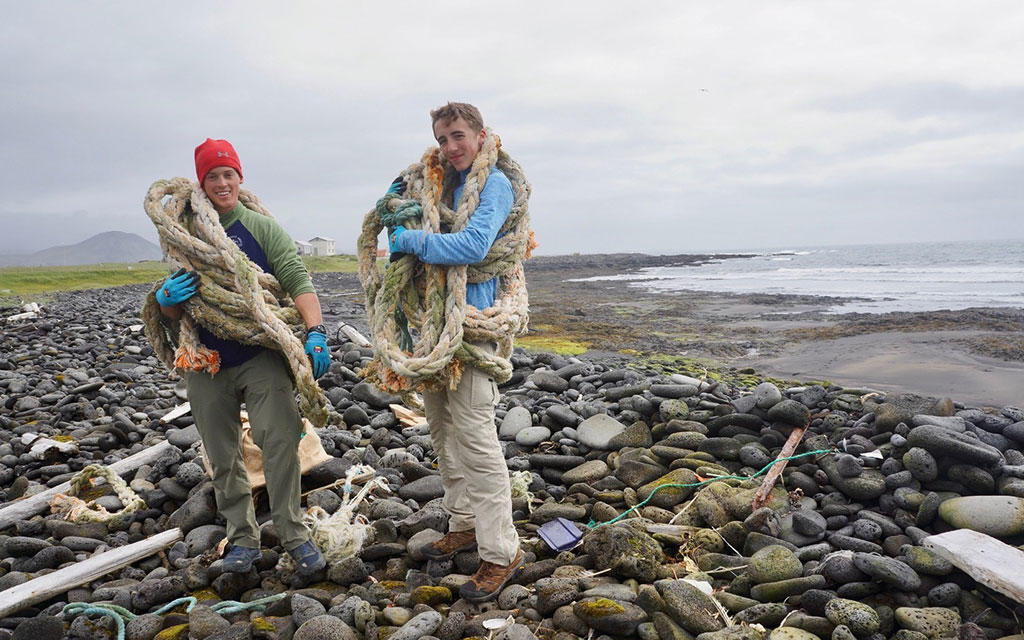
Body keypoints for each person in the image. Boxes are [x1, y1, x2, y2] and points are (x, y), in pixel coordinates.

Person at [154, 138, 330, 577]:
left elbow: (297, 280)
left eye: (228, 174)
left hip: (260, 353)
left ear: (239, 177)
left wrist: (316, 332)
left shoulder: (260, 228)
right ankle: (242, 539)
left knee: (280, 439)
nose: (221, 183)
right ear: (202, 183)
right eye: (212, 176)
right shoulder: (186, 234)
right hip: (206, 358)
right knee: (222, 453)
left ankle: (294, 534)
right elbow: (179, 308)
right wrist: (165, 301)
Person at [386, 103, 523, 602]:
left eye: (459, 136)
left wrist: (410, 239)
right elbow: (400, 206)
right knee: (443, 432)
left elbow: (472, 245)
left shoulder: (495, 185)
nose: (450, 147)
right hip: (434, 328)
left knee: (476, 441)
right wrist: (394, 199)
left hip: (472, 328)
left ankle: (501, 552)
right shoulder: (441, 185)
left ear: (481, 135)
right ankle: (463, 523)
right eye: (443, 139)